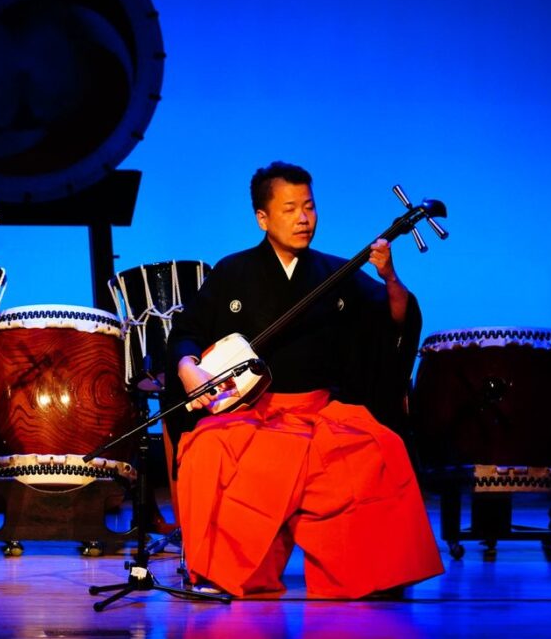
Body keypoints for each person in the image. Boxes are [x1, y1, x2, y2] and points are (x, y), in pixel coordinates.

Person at [166, 160, 443, 599]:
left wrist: (389, 276)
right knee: (206, 451)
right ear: (262, 218)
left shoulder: (337, 274)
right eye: (290, 208)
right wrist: (188, 368)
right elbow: (187, 332)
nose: (303, 218)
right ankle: (223, 572)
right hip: (252, 413)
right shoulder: (232, 271)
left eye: (309, 207)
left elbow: (394, 321)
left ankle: (373, 574)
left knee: (381, 448)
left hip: (320, 412)